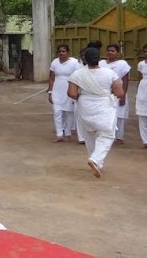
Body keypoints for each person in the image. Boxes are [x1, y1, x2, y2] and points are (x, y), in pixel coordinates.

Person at [68, 47, 124, 178]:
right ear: (100, 58)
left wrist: (84, 95)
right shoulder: (109, 73)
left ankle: (97, 162)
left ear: (84, 59)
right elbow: (120, 93)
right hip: (104, 106)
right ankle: (95, 160)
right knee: (107, 135)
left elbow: (72, 93)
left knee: (89, 136)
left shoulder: (77, 74)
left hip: (85, 107)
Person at [99, 43, 130, 144]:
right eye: (108, 50)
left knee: (119, 115)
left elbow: (125, 80)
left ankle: (119, 137)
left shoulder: (122, 64)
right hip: (105, 93)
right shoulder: (102, 63)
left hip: (119, 91)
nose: (110, 53)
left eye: (113, 51)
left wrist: (123, 95)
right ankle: (108, 136)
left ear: (117, 52)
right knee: (106, 115)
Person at [48, 44, 79, 142]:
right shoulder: (55, 62)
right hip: (57, 90)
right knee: (57, 112)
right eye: (60, 51)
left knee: (69, 112)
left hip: (69, 89)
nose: (61, 53)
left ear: (68, 52)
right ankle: (59, 134)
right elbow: (52, 78)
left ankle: (68, 133)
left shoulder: (74, 62)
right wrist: (50, 92)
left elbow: (78, 77)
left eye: (63, 51)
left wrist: (76, 91)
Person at [136, 44, 147, 148]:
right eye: (145, 51)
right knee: (143, 115)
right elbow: (139, 79)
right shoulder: (141, 64)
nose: (146, 53)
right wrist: (137, 93)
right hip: (143, 89)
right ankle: (145, 140)